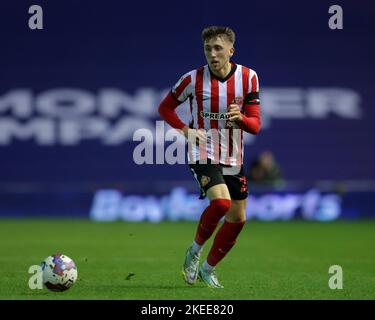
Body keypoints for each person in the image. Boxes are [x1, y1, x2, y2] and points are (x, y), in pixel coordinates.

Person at [158, 26, 261, 288]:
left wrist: (242, 120)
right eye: (208, 49)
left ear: (231, 50)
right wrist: (186, 130)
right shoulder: (192, 79)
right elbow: (165, 107)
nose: (212, 54)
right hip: (202, 151)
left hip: (233, 155)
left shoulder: (249, 78)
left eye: (218, 48)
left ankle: (207, 268)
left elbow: (255, 126)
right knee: (222, 205)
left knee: (238, 219)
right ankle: (194, 251)